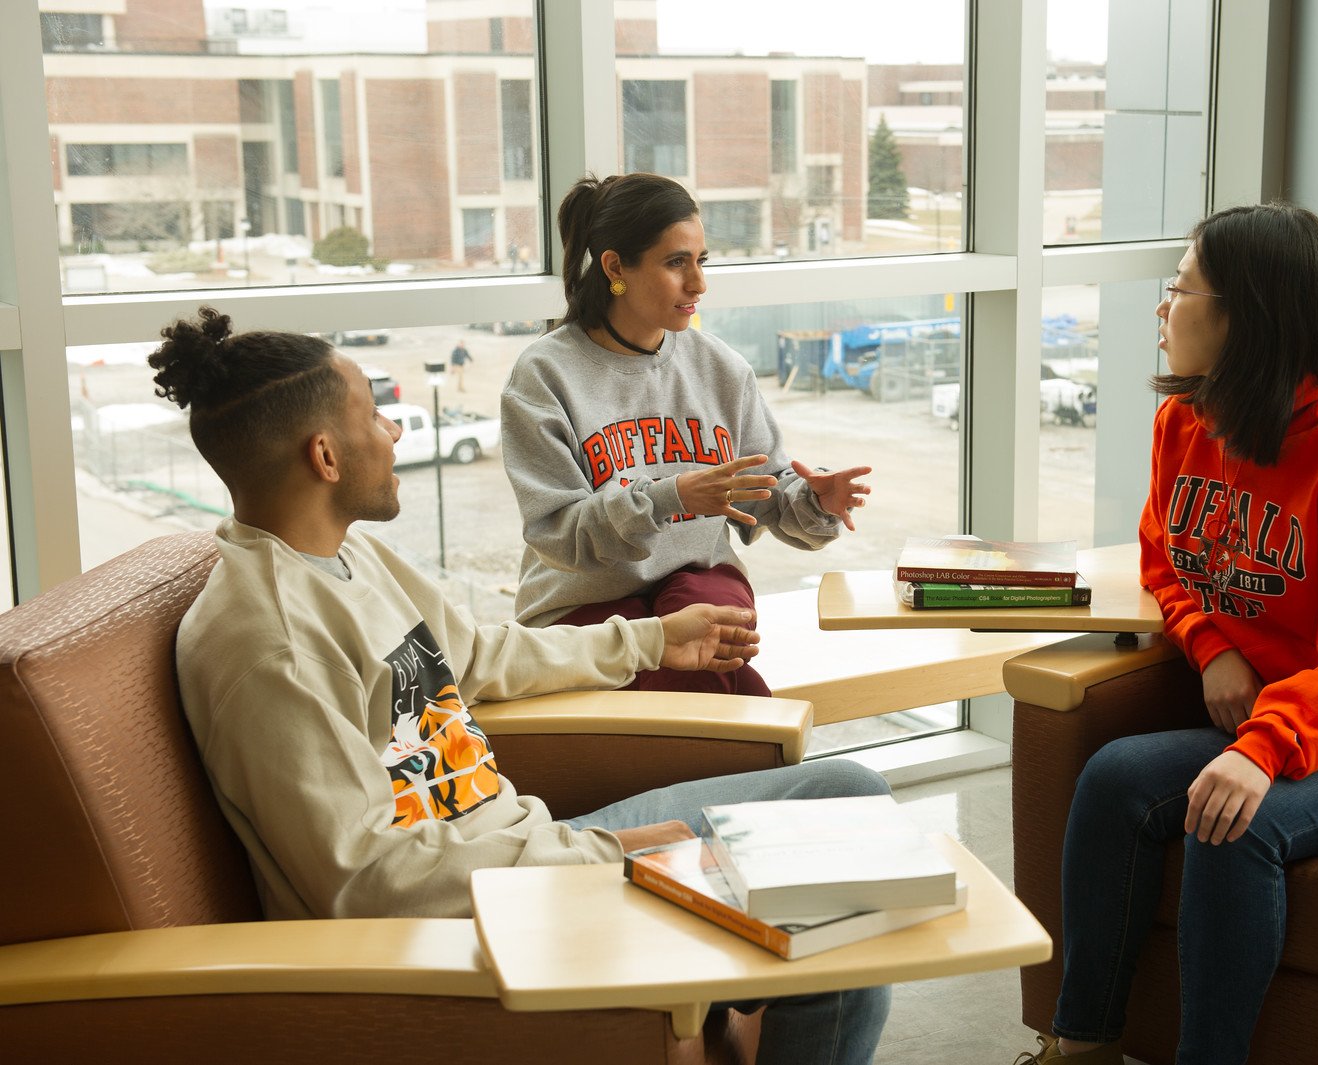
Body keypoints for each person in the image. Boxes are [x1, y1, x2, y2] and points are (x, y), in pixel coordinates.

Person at [152, 307, 892, 1065]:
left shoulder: (351, 559)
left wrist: (653, 639)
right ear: (325, 456)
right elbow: (371, 881)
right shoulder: (269, 645)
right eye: (373, 416)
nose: (395, 431)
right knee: (836, 906)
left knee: (852, 795)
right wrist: (610, 857)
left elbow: (479, 655)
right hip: (491, 923)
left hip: (536, 854)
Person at [1015, 204, 1318, 1065]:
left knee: (1236, 824)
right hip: (1280, 719)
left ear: (1245, 315)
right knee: (1114, 776)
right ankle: (1079, 1043)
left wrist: (1264, 746)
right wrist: (1211, 646)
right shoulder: (1186, 422)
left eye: (1180, 289)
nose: (1162, 308)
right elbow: (1164, 558)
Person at [501, 172, 871, 697]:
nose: (698, 284)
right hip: (585, 605)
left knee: (704, 612)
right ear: (614, 267)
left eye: (701, 261)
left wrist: (815, 501)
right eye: (677, 262)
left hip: (699, 587)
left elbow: (766, 497)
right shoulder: (544, 376)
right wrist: (670, 498)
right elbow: (557, 534)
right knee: (686, 665)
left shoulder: (720, 367)